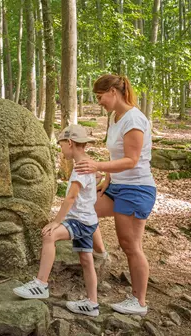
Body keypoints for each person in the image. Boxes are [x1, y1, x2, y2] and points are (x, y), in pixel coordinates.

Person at [75, 74, 156, 316]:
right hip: (117, 186)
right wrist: (105, 181)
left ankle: (138, 301)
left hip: (136, 189)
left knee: (130, 245)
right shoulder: (115, 117)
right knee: (84, 209)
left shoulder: (133, 119)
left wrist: (97, 167)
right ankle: (101, 255)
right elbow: (115, 155)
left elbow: (131, 160)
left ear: (113, 91)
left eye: (100, 97)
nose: (99, 102)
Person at [13, 125, 100, 317]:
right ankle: (93, 303)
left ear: (70, 143)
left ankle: (41, 284)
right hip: (89, 220)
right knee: (86, 260)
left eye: (61, 146)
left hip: (80, 221)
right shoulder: (88, 163)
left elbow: (70, 198)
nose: (61, 151)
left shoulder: (80, 168)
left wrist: (56, 222)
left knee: (49, 235)